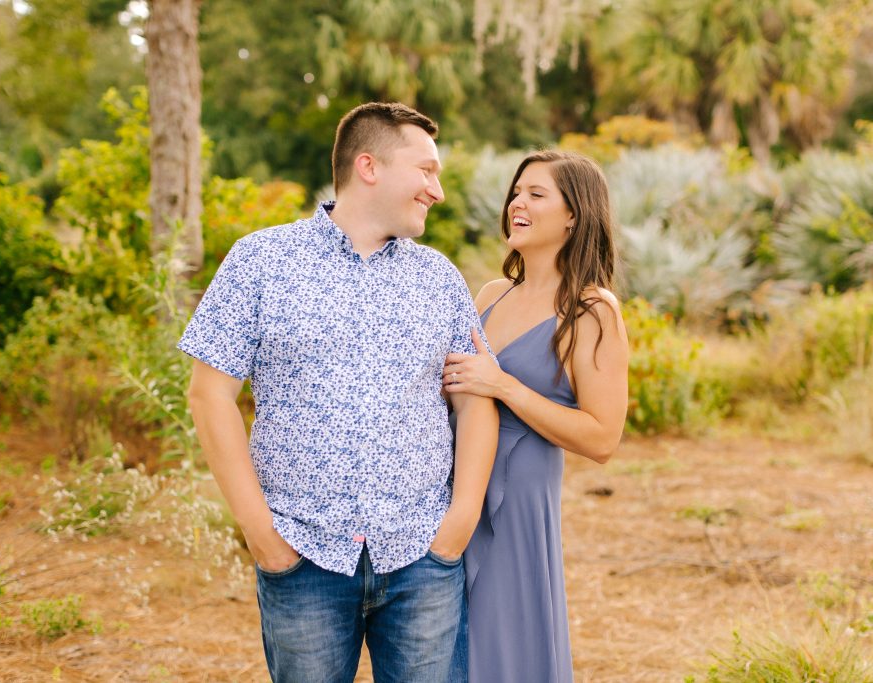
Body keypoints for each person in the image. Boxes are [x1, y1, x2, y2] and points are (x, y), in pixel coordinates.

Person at [179, 102, 499, 683]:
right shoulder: (260, 261)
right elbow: (209, 396)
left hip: (422, 555)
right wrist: (262, 533)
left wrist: (459, 524)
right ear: (369, 166)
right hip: (301, 556)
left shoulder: (439, 278)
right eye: (426, 171)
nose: (438, 190)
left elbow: (475, 400)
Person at [443, 151, 629, 682]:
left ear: (574, 214)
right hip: (452, 489)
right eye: (516, 192)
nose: (517, 203)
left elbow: (602, 438)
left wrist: (504, 386)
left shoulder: (591, 311)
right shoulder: (491, 294)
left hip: (519, 500)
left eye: (536, 194)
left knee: (505, 645)